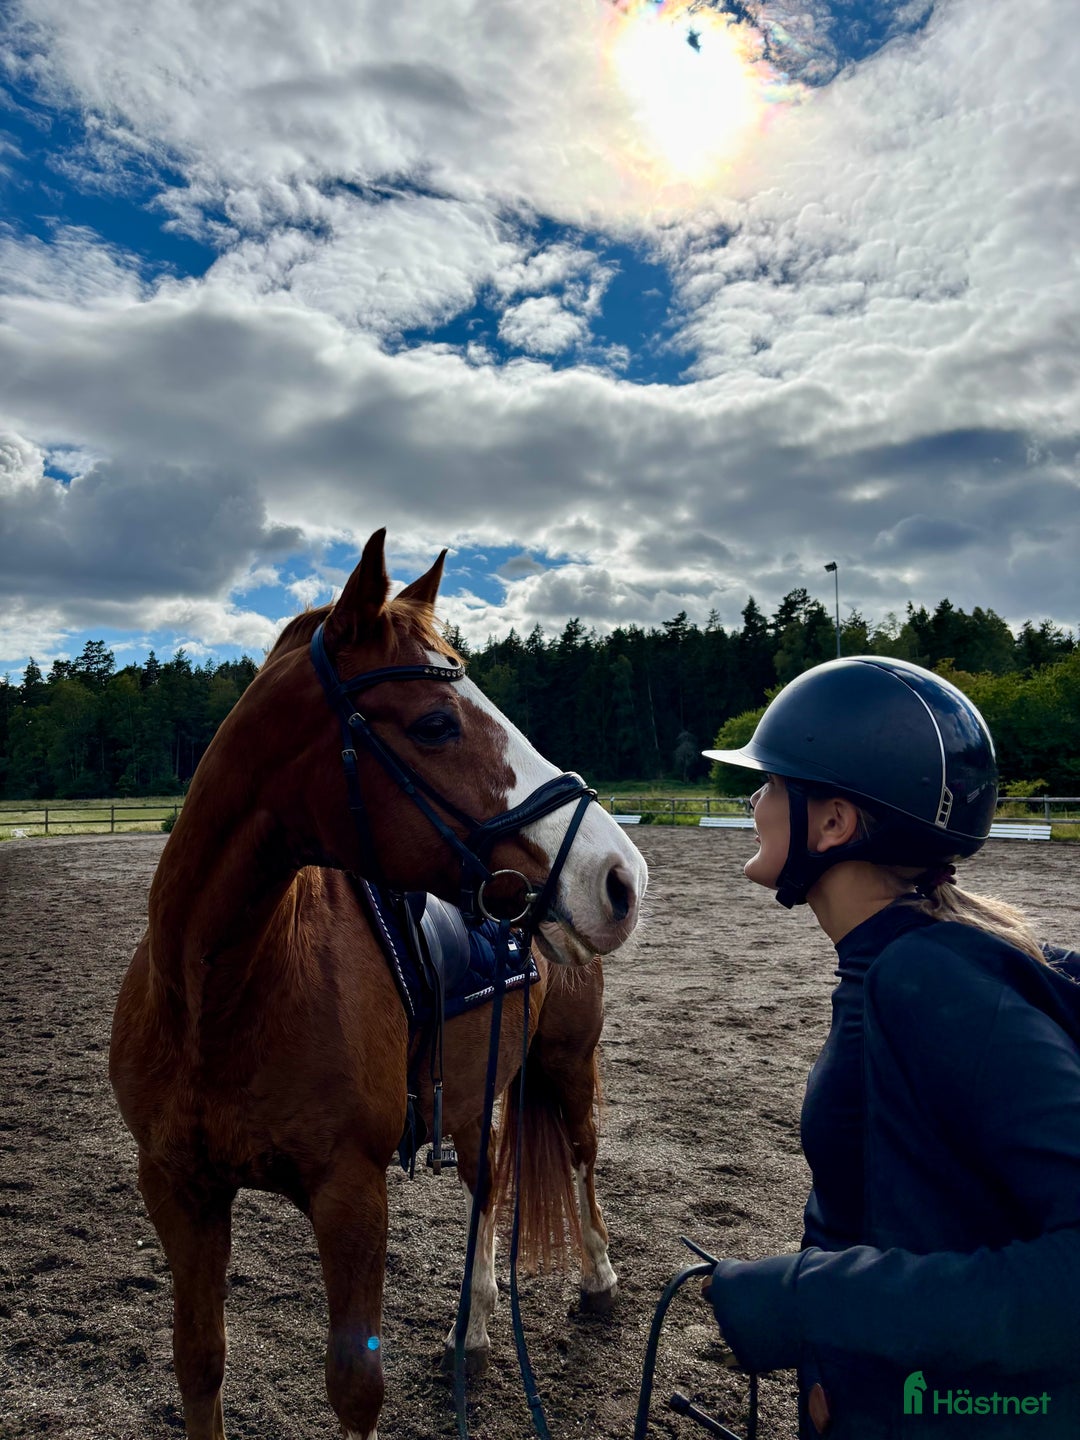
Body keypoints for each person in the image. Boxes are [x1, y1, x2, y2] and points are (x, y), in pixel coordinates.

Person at [699, 655, 1080, 1439]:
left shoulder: (931, 982)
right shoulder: (904, 963)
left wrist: (811, 1301)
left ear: (833, 824)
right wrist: (849, 1367)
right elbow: (920, 1202)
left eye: (771, 783)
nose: (754, 799)